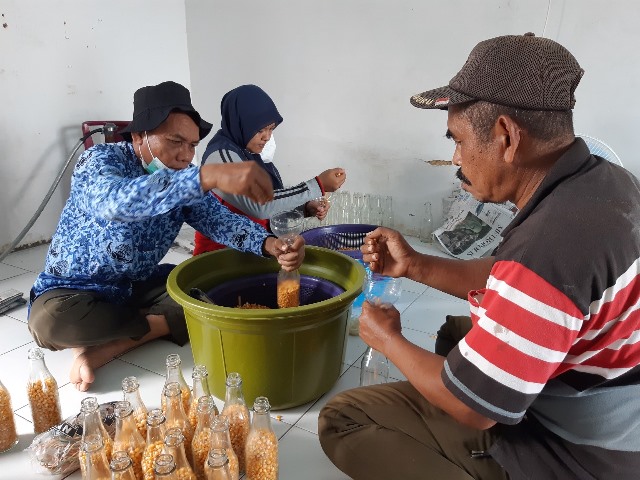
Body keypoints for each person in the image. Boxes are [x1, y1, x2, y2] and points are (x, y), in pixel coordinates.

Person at [318, 33, 640, 480]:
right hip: (613, 411)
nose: (455, 159)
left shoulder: (552, 244)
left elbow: (475, 406)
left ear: (507, 136)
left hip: (578, 455)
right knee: (456, 334)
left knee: (345, 417)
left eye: (458, 140)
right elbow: (512, 281)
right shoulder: (604, 182)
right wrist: (413, 263)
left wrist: (387, 338)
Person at [28, 81, 304, 392]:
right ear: (138, 135)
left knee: (204, 289)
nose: (186, 156)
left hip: (134, 286)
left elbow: (218, 219)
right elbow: (114, 202)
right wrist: (207, 175)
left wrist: (270, 244)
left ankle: (106, 344)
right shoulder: (100, 161)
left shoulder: (182, 177)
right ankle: (139, 329)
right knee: (49, 323)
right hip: (73, 291)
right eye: (175, 141)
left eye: (192, 145)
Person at [193, 84, 346, 255]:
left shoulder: (251, 153)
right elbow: (258, 205)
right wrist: (317, 185)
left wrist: (303, 208)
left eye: (271, 129)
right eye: (260, 130)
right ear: (241, 123)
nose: (267, 137)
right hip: (219, 256)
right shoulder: (221, 156)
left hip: (254, 251)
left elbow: (273, 201)